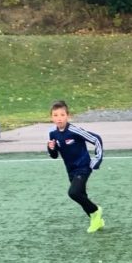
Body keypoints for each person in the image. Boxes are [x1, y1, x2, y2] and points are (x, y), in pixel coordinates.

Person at [47, 100, 105, 233]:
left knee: (73, 193)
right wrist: (51, 148)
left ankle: (96, 210)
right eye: (55, 115)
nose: (59, 118)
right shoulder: (53, 134)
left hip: (83, 167)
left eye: (62, 115)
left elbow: (96, 139)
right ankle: (97, 221)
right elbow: (54, 155)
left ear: (68, 115)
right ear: (51, 117)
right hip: (71, 170)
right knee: (81, 196)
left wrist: (97, 159)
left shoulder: (74, 130)